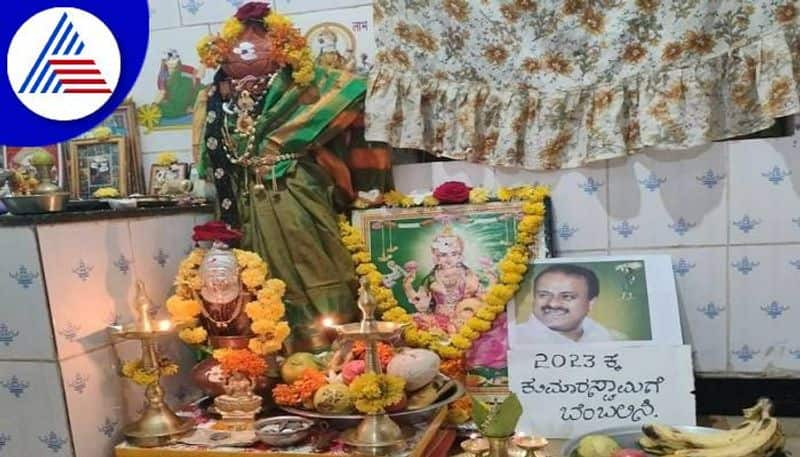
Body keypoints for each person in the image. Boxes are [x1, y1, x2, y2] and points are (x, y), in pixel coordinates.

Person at [515, 264, 628, 344]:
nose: (553, 304)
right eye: (544, 295)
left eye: (567, 297)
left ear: (591, 303)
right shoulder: (514, 340)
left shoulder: (615, 341)